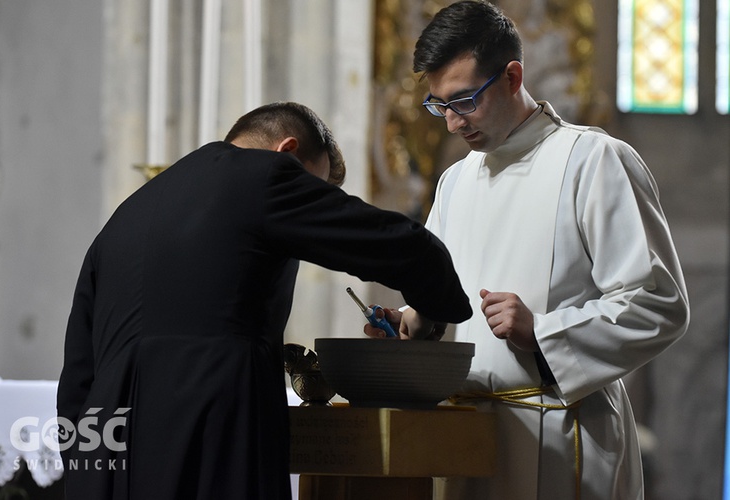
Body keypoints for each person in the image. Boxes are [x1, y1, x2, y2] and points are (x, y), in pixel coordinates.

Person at [57, 101, 472, 500]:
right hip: (211, 431)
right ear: (286, 151)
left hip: (107, 456)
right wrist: (428, 313)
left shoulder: (124, 216)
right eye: (312, 187)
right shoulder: (263, 175)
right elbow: (404, 248)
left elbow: (77, 376)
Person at [365, 2, 689, 499]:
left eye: (464, 101)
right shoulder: (455, 183)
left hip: (563, 437)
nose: (452, 123)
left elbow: (658, 305)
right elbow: (452, 297)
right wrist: (417, 322)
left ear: (513, 77)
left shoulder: (593, 160)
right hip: (469, 436)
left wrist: (542, 332)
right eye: (439, 106)